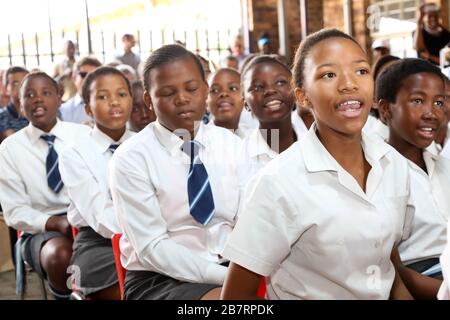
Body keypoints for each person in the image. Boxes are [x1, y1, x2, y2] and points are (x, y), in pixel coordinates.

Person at [220, 28, 414, 300]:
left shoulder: (393, 163)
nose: (349, 84)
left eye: (360, 71)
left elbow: (385, 268)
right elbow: (234, 298)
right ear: (302, 96)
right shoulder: (279, 181)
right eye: (329, 75)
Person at [109, 44, 245, 300]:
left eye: (192, 89)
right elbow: (152, 247)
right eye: (168, 93)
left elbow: (249, 219)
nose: (182, 98)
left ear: (205, 89)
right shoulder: (131, 159)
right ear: (149, 100)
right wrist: (225, 277)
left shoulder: (233, 146)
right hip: (159, 278)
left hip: (231, 265)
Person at [0, 72, 90, 299]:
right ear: (21, 105)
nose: (38, 99)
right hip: (41, 228)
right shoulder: (10, 149)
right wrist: (54, 222)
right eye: (29, 95)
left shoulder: (83, 135)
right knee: (61, 255)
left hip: (88, 218)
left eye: (46, 93)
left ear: (59, 97)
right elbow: (14, 211)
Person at [59, 67, 134, 299]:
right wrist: (146, 235)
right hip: (98, 242)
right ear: (88, 108)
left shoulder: (144, 145)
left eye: (122, 94)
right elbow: (99, 215)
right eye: (103, 96)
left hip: (153, 235)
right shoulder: (74, 154)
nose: (114, 102)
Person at [377, 58, 449, 299]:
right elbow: (393, 268)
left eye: (438, 102)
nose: (432, 113)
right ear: (386, 109)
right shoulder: (376, 174)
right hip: (422, 279)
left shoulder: (444, 166)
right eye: (418, 101)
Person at [240, 55, 301, 176]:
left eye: (280, 82)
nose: (270, 91)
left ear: (295, 90)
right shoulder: (239, 158)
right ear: (245, 103)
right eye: (257, 87)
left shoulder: (320, 143)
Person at [59, 57, 102, 124]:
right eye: (84, 75)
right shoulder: (63, 111)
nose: (88, 79)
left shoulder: (113, 107)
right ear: (74, 78)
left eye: (94, 76)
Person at [206, 68, 245, 138]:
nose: (224, 93)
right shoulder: (196, 143)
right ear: (206, 101)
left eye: (233, 88)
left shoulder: (252, 139)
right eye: (215, 90)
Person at [0, 67, 29, 142]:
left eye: (25, 82)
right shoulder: (2, 116)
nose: (21, 87)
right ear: (6, 89)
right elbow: (14, 143)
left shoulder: (42, 111)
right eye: (15, 83)